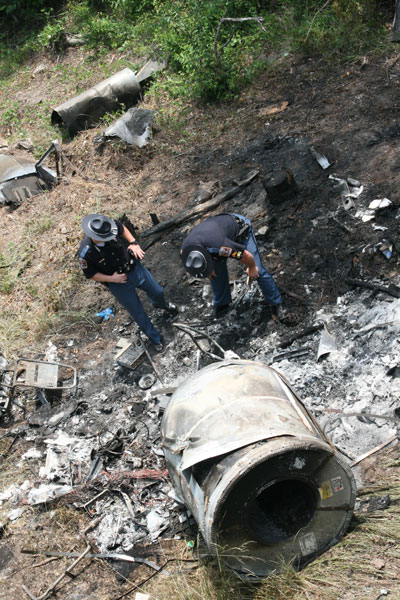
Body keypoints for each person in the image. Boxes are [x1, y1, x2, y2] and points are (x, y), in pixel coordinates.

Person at [78, 214, 177, 350]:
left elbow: (122, 228)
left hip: (133, 268)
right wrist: (112, 279)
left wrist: (133, 243)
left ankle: (161, 306)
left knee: (157, 290)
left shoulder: (108, 226)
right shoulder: (86, 253)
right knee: (137, 312)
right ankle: (155, 338)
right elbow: (91, 274)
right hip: (117, 282)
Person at [181, 212, 286, 320]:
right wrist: (207, 270)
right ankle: (222, 305)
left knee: (258, 271)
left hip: (240, 230)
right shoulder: (186, 251)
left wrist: (252, 268)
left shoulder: (221, 247)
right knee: (215, 275)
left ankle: (276, 304)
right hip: (215, 232)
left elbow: (247, 256)